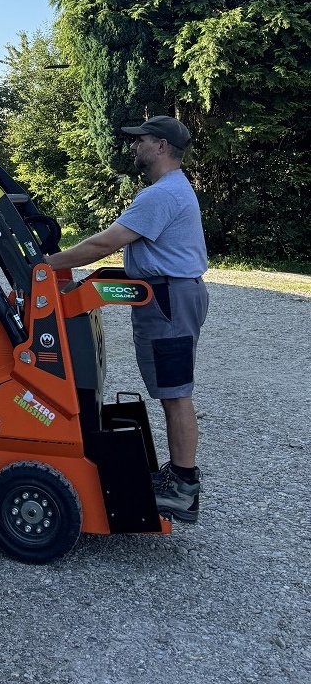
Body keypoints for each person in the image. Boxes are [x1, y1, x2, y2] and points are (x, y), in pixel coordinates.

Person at [47, 115, 208, 524]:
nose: (134, 147)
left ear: (161, 146)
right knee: (172, 389)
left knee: (175, 391)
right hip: (170, 294)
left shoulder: (162, 195)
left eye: (141, 141)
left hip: (169, 297)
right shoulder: (168, 190)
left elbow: (106, 242)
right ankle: (179, 475)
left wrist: (46, 265)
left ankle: (184, 488)